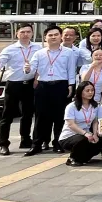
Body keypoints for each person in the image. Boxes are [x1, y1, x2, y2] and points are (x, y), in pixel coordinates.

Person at [25, 25, 77, 156]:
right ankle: (36, 144)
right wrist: (27, 69)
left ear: (60, 37)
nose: (53, 37)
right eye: (50, 35)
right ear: (45, 38)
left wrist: (71, 85)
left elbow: (71, 69)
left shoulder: (68, 52)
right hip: (43, 86)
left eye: (56, 35)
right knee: (40, 116)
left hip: (61, 85)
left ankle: (58, 143)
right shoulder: (39, 53)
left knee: (60, 116)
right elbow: (31, 69)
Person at [0, 23, 37, 155]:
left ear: (32, 33)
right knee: (7, 115)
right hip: (14, 84)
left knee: (28, 114)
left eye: (28, 32)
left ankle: (25, 139)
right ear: (16, 34)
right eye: (22, 32)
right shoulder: (10, 49)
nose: (25, 34)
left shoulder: (38, 48)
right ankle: (3, 144)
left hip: (30, 84)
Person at [59, 81, 102, 167]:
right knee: (83, 139)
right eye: (87, 90)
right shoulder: (71, 106)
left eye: (92, 90)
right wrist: (85, 133)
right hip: (69, 136)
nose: (90, 92)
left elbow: (95, 121)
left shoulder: (95, 105)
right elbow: (71, 124)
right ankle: (72, 158)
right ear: (80, 91)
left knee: (98, 144)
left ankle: (81, 158)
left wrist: (95, 134)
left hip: (87, 135)